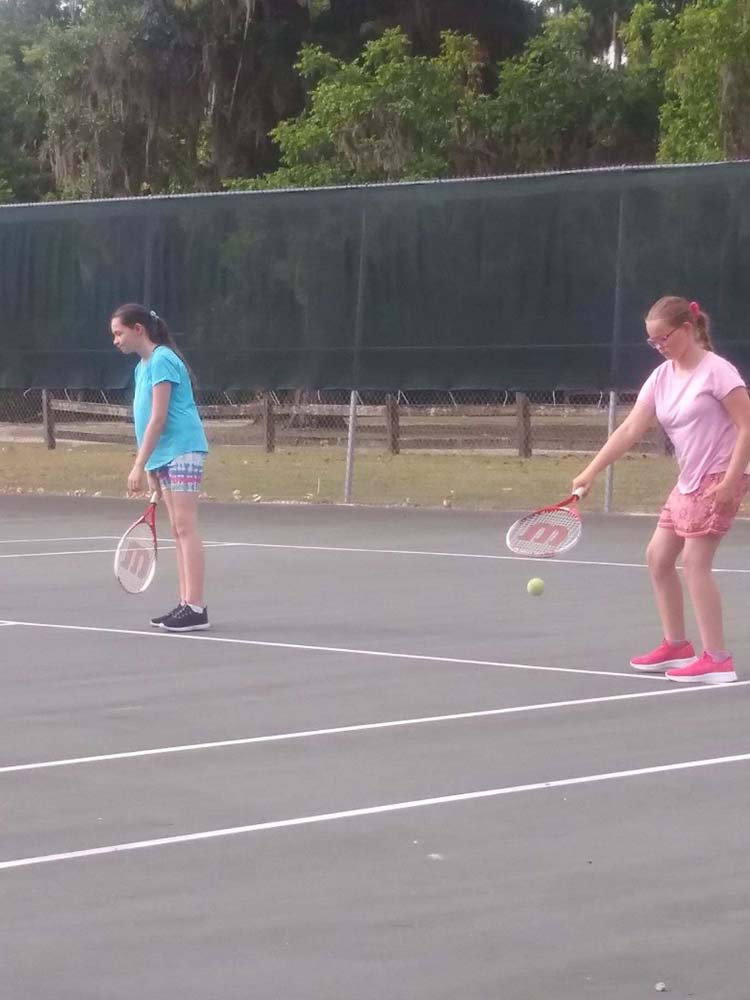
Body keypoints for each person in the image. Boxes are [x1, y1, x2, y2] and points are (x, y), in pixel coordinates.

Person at [572, 296, 750, 684]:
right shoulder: (661, 377)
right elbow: (629, 429)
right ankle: (677, 646)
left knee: (695, 563)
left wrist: (732, 480)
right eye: (652, 341)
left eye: (663, 338)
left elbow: (746, 427)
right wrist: (591, 470)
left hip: (720, 477)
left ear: (687, 329)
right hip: (689, 480)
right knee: (658, 557)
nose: (658, 346)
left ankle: (718, 659)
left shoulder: (718, 372)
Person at [111, 303, 210, 632]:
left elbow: (158, 417)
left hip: (183, 449)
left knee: (185, 527)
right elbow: (145, 421)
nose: (116, 340)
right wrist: (152, 466)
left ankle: (195, 607)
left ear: (138, 329)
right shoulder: (142, 367)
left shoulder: (163, 359)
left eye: (119, 333)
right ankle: (186, 604)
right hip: (165, 455)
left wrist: (138, 465)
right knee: (177, 530)